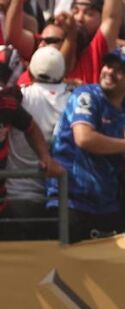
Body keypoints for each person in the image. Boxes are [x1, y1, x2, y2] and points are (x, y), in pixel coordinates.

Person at [47, 49, 125, 242]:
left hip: (106, 207)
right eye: (108, 65)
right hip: (70, 201)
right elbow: (84, 138)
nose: (110, 71)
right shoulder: (87, 95)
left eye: (119, 70)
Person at [0, 46, 64, 233]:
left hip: (11, 201)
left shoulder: (10, 101)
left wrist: (45, 156)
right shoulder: (74, 96)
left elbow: (31, 127)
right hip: (44, 197)